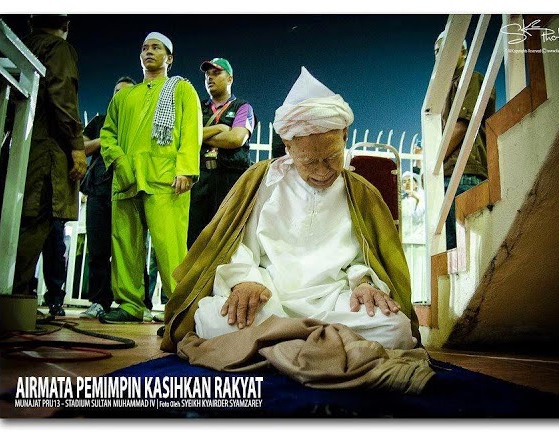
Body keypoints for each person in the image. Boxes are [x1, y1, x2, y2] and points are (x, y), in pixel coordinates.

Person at [161, 67, 421, 352]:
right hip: (268, 296)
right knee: (212, 320)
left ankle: (282, 343)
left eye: (332, 157)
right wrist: (245, 281)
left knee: (395, 328)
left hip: (335, 298)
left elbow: (363, 259)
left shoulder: (360, 193)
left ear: (344, 136)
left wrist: (364, 283)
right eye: (309, 161)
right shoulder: (261, 181)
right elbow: (237, 246)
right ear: (288, 146)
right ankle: (323, 344)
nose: (322, 171)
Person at [99, 32, 201, 323]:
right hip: (127, 179)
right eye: (145, 48)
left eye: (156, 48)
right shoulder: (124, 96)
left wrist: (186, 169)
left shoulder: (181, 90)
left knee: (170, 247)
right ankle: (130, 305)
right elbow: (107, 134)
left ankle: (180, 311)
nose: (149, 52)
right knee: (125, 244)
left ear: (169, 58)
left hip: (166, 179)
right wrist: (119, 161)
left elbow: (191, 130)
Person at [11, 14, 87, 299]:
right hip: (45, 150)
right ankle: (14, 297)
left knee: (12, 219)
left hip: (15, 146)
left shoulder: (19, 46)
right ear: (66, 25)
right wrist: (77, 145)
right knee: (36, 218)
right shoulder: (57, 48)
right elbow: (62, 95)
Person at [79, 76, 136, 318]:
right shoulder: (99, 121)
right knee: (97, 249)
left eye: (126, 92)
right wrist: (107, 139)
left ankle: (134, 303)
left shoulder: (138, 124)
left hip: (128, 192)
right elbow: (82, 148)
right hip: (99, 191)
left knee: (130, 249)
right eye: (117, 91)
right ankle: (99, 301)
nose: (120, 96)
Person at [435, 31, 496, 250]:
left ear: (462, 52)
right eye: (436, 52)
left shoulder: (469, 78)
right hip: (450, 173)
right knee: (453, 250)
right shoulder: (444, 89)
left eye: (444, 49)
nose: (439, 55)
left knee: (463, 251)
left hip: (464, 173)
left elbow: (462, 126)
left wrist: (434, 163)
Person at [187, 58, 256, 249]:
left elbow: (236, 139)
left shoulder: (242, 107)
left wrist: (199, 136)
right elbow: (184, 137)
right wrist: (219, 128)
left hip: (230, 181)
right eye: (207, 75)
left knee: (228, 242)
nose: (210, 78)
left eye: (216, 73)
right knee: (194, 241)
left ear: (230, 78)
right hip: (199, 182)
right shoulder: (197, 107)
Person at [401, 170, 427, 303]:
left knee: (419, 270)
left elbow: (418, 217)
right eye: (404, 181)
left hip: (418, 241)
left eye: (409, 181)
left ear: (416, 184)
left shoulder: (422, 197)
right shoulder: (403, 200)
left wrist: (417, 199)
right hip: (405, 241)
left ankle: (419, 298)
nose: (406, 184)